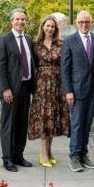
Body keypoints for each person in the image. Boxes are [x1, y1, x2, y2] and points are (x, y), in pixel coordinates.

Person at [61, 10, 94, 172]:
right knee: (77, 124)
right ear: (77, 23)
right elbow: (65, 68)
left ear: (91, 22)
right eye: (81, 22)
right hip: (76, 91)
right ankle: (74, 156)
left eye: (87, 21)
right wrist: (68, 91)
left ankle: (83, 154)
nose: (84, 24)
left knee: (87, 124)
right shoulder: (69, 41)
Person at [0, 8, 35, 172]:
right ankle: (7, 159)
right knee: (9, 125)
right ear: (12, 21)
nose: (20, 22)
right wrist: (5, 88)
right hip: (10, 90)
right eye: (17, 19)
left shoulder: (29, 39)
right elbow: (0, 66)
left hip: (25, 87)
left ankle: (19, 155)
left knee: (22, 124)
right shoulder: (3, 40)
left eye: (23, 19)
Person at [28, 15, 71, 167]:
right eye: (47, 26)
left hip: (57, 84)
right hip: (41, 85)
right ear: (43, 27)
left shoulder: (61, 44)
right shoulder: (35, 44)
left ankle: (49, 152)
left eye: (52, 26)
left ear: (56, 29)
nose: (50, 28)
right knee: (44, 118)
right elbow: (31, 65)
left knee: (52, 118)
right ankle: (44, 155)